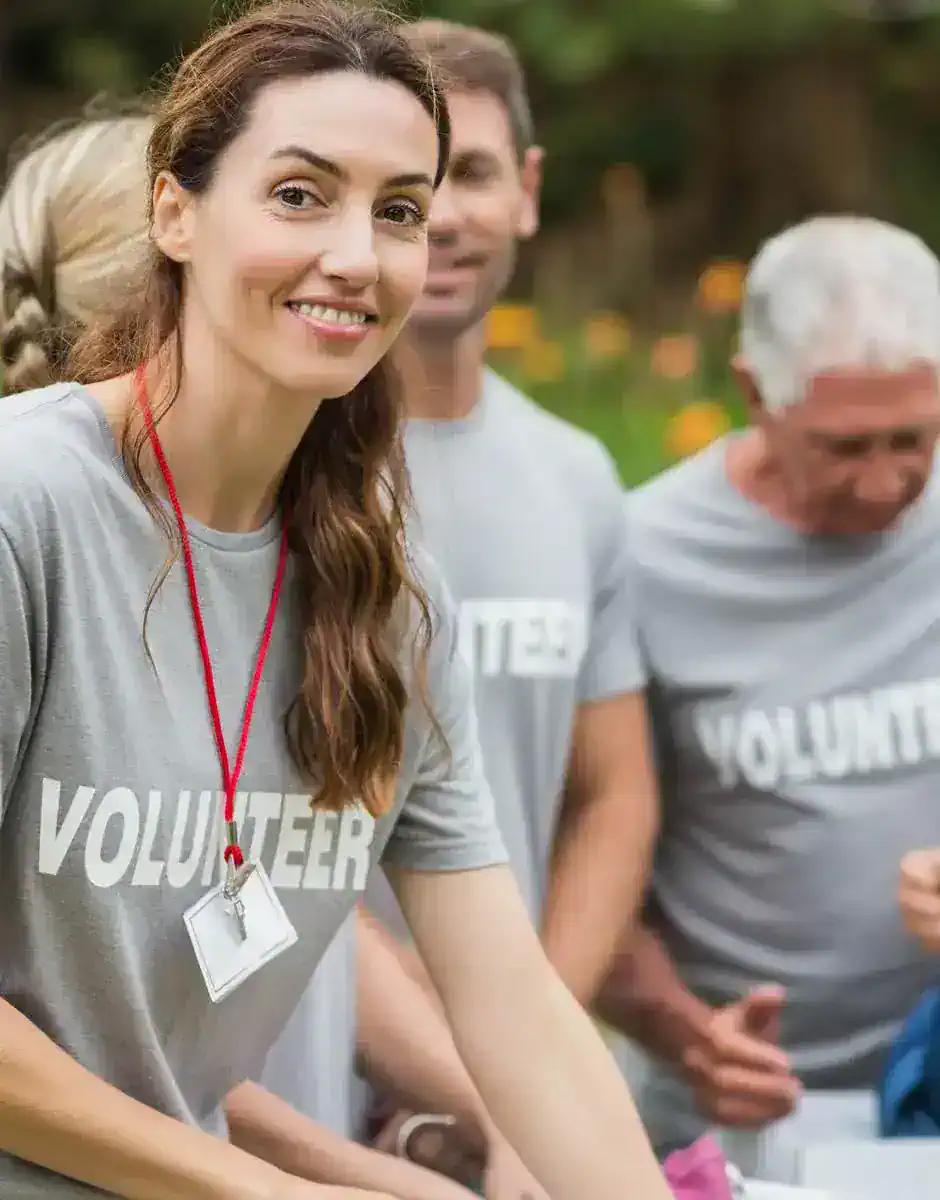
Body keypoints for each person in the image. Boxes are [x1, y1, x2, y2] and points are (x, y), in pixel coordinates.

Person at [0, 3, 673, 1199]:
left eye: (398, 210)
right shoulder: (27, 506)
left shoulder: (389, 581)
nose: (358, 255)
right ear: (176, 212)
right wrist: (268, 1188)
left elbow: (511, 1006)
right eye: (300, 195)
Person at [357, 18, 658, 1175]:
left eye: (470, 174)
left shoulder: (576, 475)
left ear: (527, 191)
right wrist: (450, 1060)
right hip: (284, 1069)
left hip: (510, 1093)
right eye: (406, 187)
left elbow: (614, 794)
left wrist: (533, 1036)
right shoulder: (286, 477)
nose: (441, 215)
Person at [594, 214, 940, 1159]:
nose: (884, 483)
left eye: (914, 438)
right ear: (753, 391)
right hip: (737, 1112)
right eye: (843, 447)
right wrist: (681, 1031)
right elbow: (581, 850)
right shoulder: (643, 558)